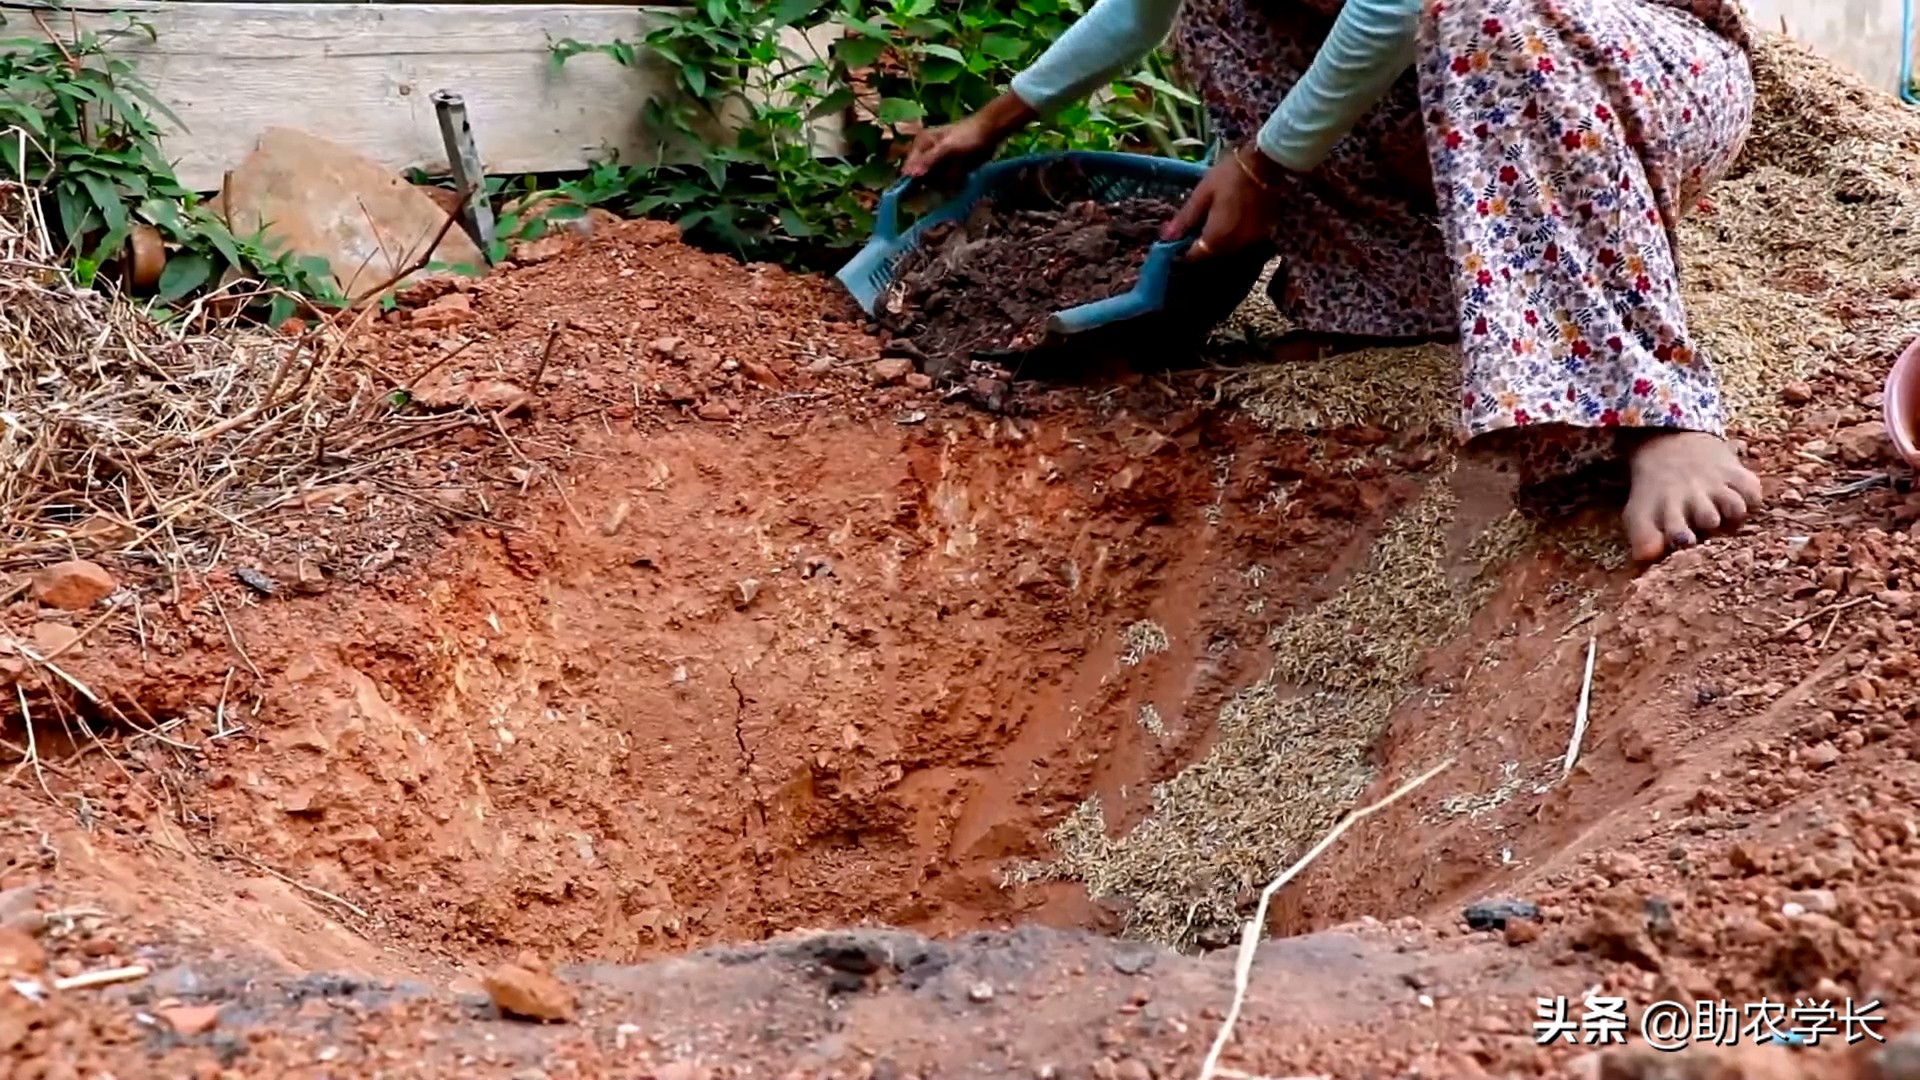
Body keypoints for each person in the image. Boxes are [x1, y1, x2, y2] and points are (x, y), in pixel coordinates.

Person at [902, 0, 1764, 564]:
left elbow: (1393, 7)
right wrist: (990, 121)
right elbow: (1139, 8)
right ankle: (1390, 298)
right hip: (1457, 82)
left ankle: (1654, 409)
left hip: (1623, 63)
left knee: (1479, 12)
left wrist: (1263, 164)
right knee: (1217, 13)